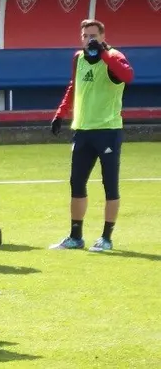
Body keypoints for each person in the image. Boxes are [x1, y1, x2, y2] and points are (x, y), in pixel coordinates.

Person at [49, 19, 134, 252]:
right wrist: (60, 113)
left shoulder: (114, 56)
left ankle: (106, 238)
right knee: (76, 183)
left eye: (94, 35)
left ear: (103, 35)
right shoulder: (78, 58)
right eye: (86, 35)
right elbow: (73, 87)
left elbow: (127, 76)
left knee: (110, 184)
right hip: (82, 130)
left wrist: (104, 54)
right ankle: (75, 236)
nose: (90, 40)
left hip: (107, 130)